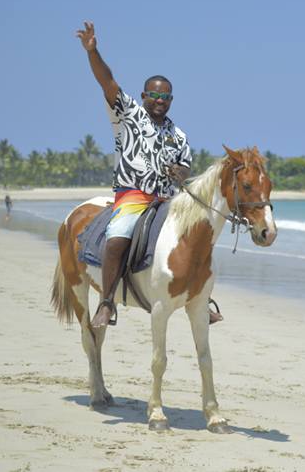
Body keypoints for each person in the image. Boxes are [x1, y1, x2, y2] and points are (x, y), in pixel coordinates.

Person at [76, 21, 222, 329]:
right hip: (133, 195)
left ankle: (199, 296)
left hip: (169, 200)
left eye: (166, 97)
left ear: (171, 100)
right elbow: (108, 82)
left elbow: (186, 168)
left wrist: (180, 172)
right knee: (118, 236)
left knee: (199, 235)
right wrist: (93, 52)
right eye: (155, 95)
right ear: (144, 95)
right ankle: (106, 302)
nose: (160, 101)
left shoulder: (178, 134)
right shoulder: (127, 114)